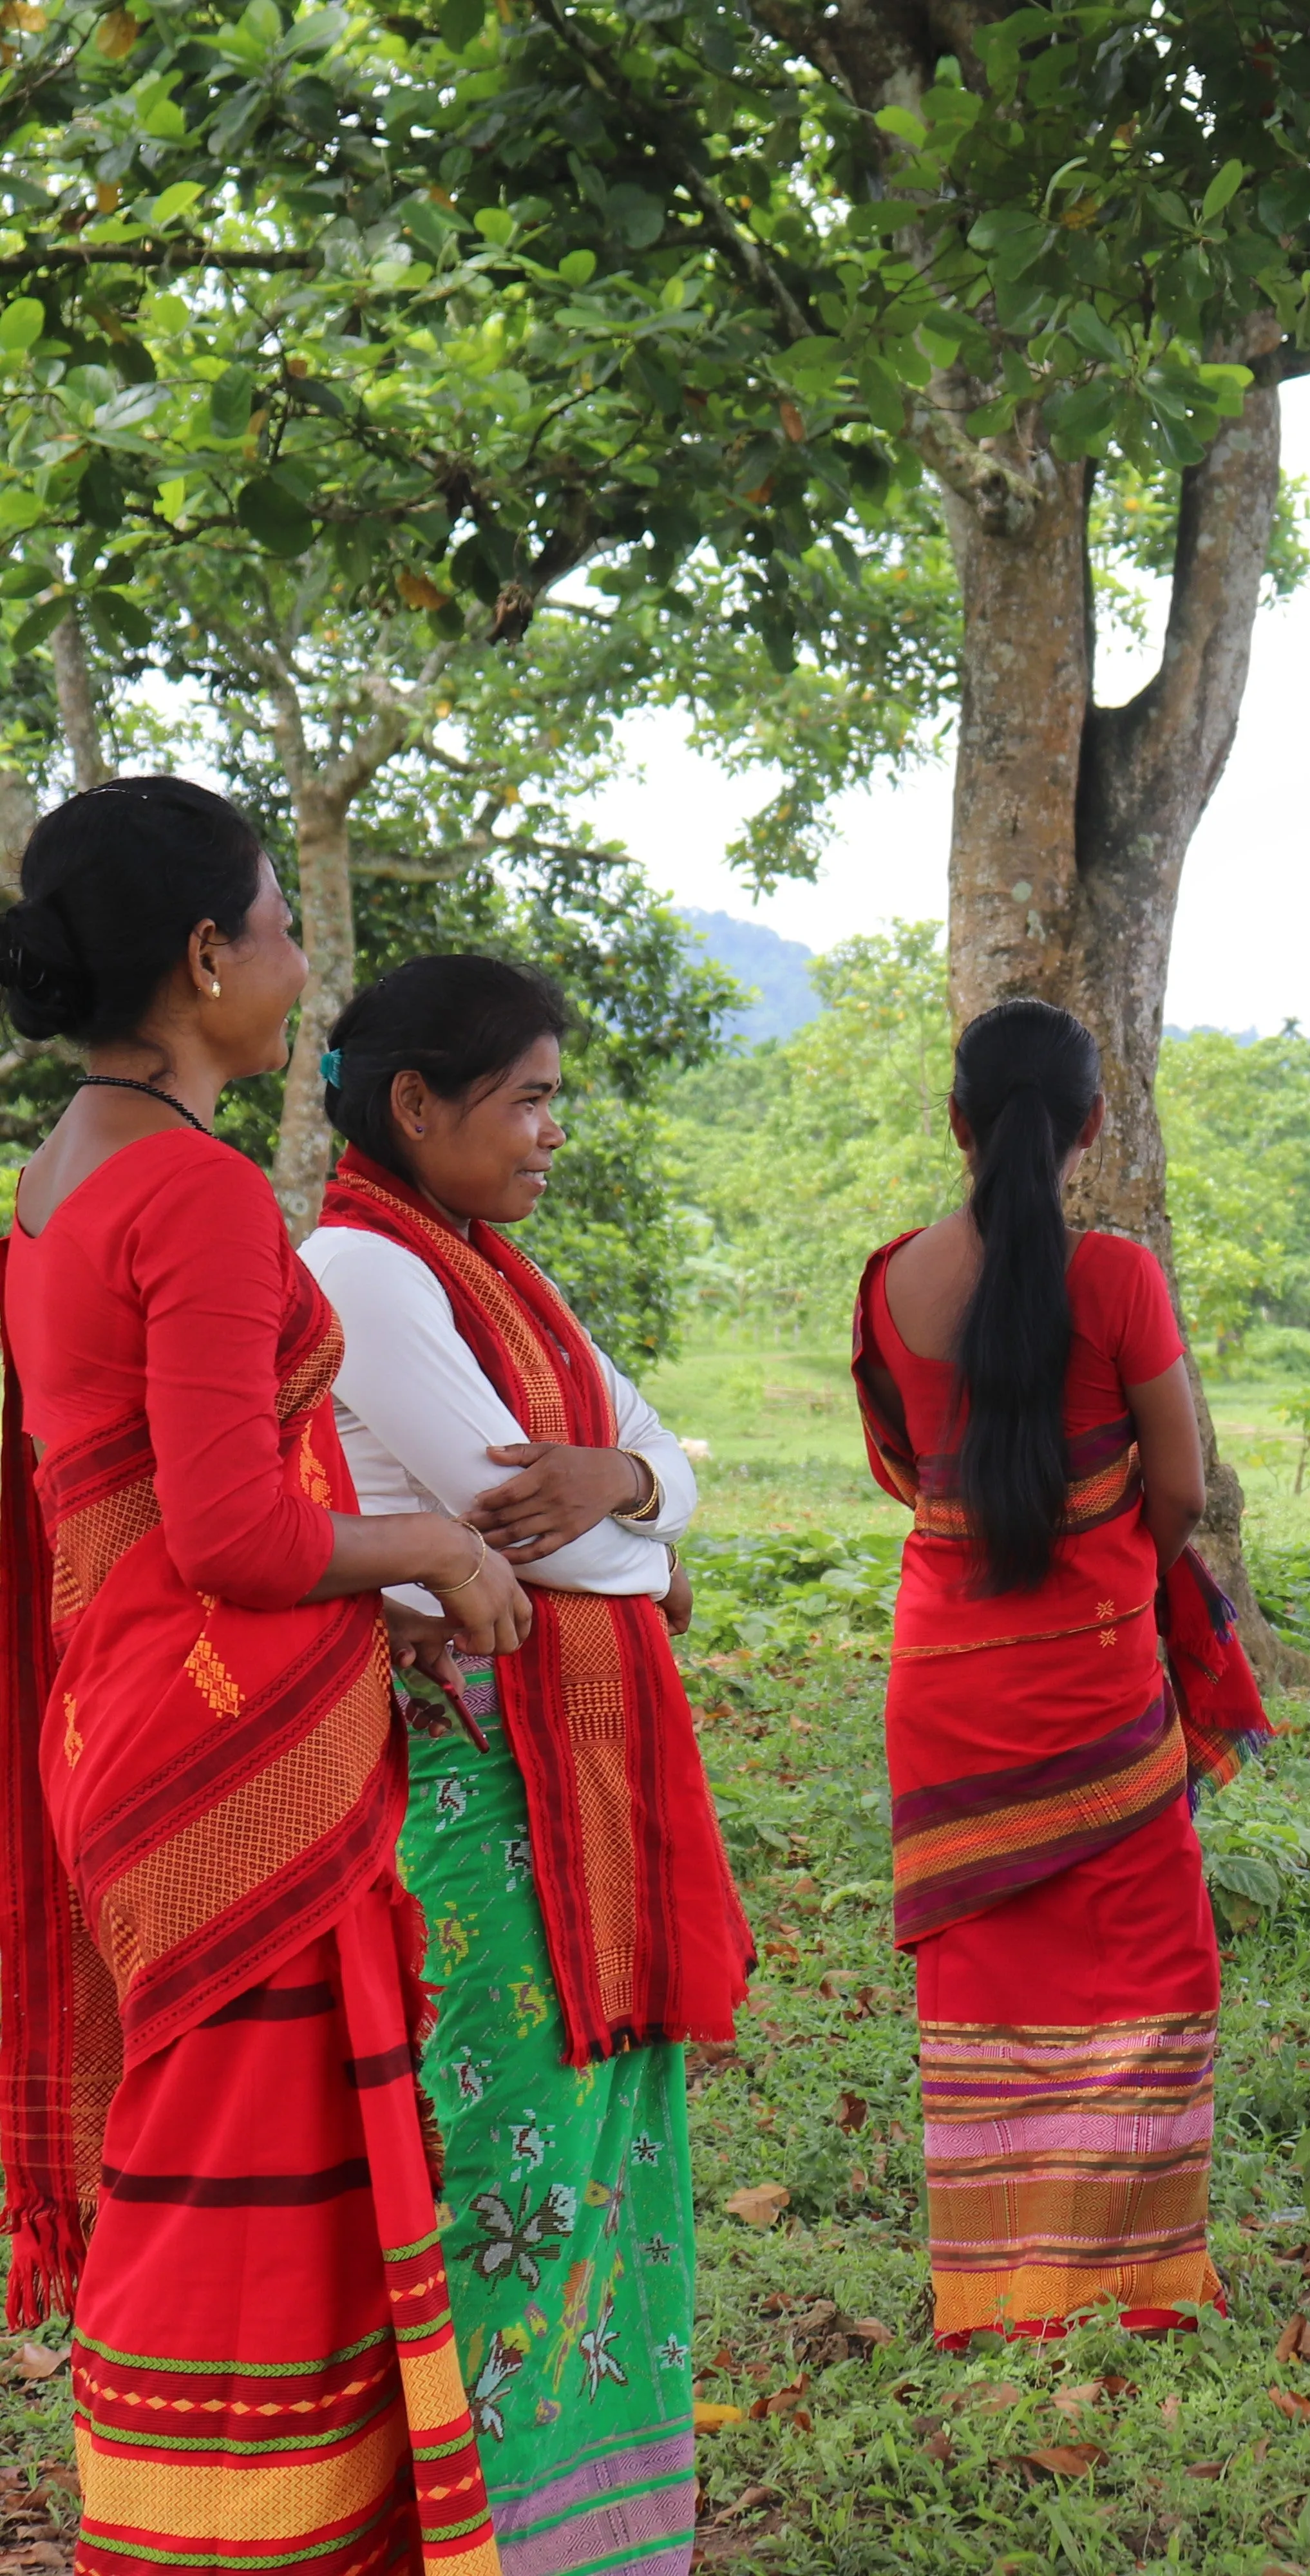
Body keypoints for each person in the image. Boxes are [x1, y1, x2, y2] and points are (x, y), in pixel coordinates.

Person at [0, 781, 527, 2576]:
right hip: (218, 1747)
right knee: (233, 2172)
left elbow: (161, 1506)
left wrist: (376, 1584)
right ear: (208, 955)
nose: (304, 967)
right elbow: (233, 1531)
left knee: (206, 2149)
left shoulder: (57, 1179)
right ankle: (217, 2538)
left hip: (126, 1717)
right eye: (280, 930)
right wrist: (438, 1554)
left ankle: (222, 2522)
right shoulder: (202, 1197)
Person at [302, 955, 751, 2576]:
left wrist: (625, 1476)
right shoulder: (361, 1271)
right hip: (470, 1784)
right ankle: (500, 2530)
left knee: (606, 2142)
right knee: (508, 2157)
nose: (556, 1129)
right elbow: (513, 1540)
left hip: (574, 1773)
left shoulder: (506, 1275)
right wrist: (647, 1544)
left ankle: (607, 2527)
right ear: (417, 1104)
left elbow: (665, 1465)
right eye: (531, 1096)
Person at [851, 999, 1271, 2348]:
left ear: (957, 1122)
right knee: (1149, 1966)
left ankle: (992, 2290)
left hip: (946, 1688)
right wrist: (1108, 1571)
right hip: (1095, 1685)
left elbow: (909, 1474)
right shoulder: (1119, 1281)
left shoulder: (889, 1281)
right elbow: (1185, 1481)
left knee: (983, 1987)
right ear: (1091, 1127)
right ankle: (1127, 2280)